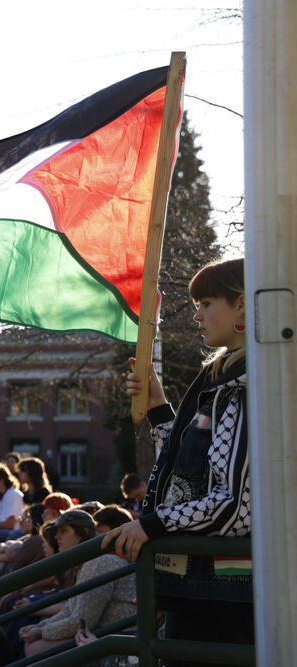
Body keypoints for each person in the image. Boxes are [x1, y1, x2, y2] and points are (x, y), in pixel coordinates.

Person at [104, 260, 252, 663]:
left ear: (241, 305)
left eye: (206, 302)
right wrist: (157, 407)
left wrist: (152, 524)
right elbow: (192, 469)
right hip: (202, 585)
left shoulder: (249, 383)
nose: (197, 314)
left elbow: (233, 506)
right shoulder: (219, 376)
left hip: (227, 594)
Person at [20, 510, 135, 656]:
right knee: (32, 644)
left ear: (83, 532)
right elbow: (71, 609)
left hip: (121, 638)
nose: (57, 537)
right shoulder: (89, 562)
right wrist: (41, 626)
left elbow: (83, 621)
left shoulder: (99, 562)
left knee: (35, 649)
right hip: (104, 634)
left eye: (64, 531)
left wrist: (41, 631)